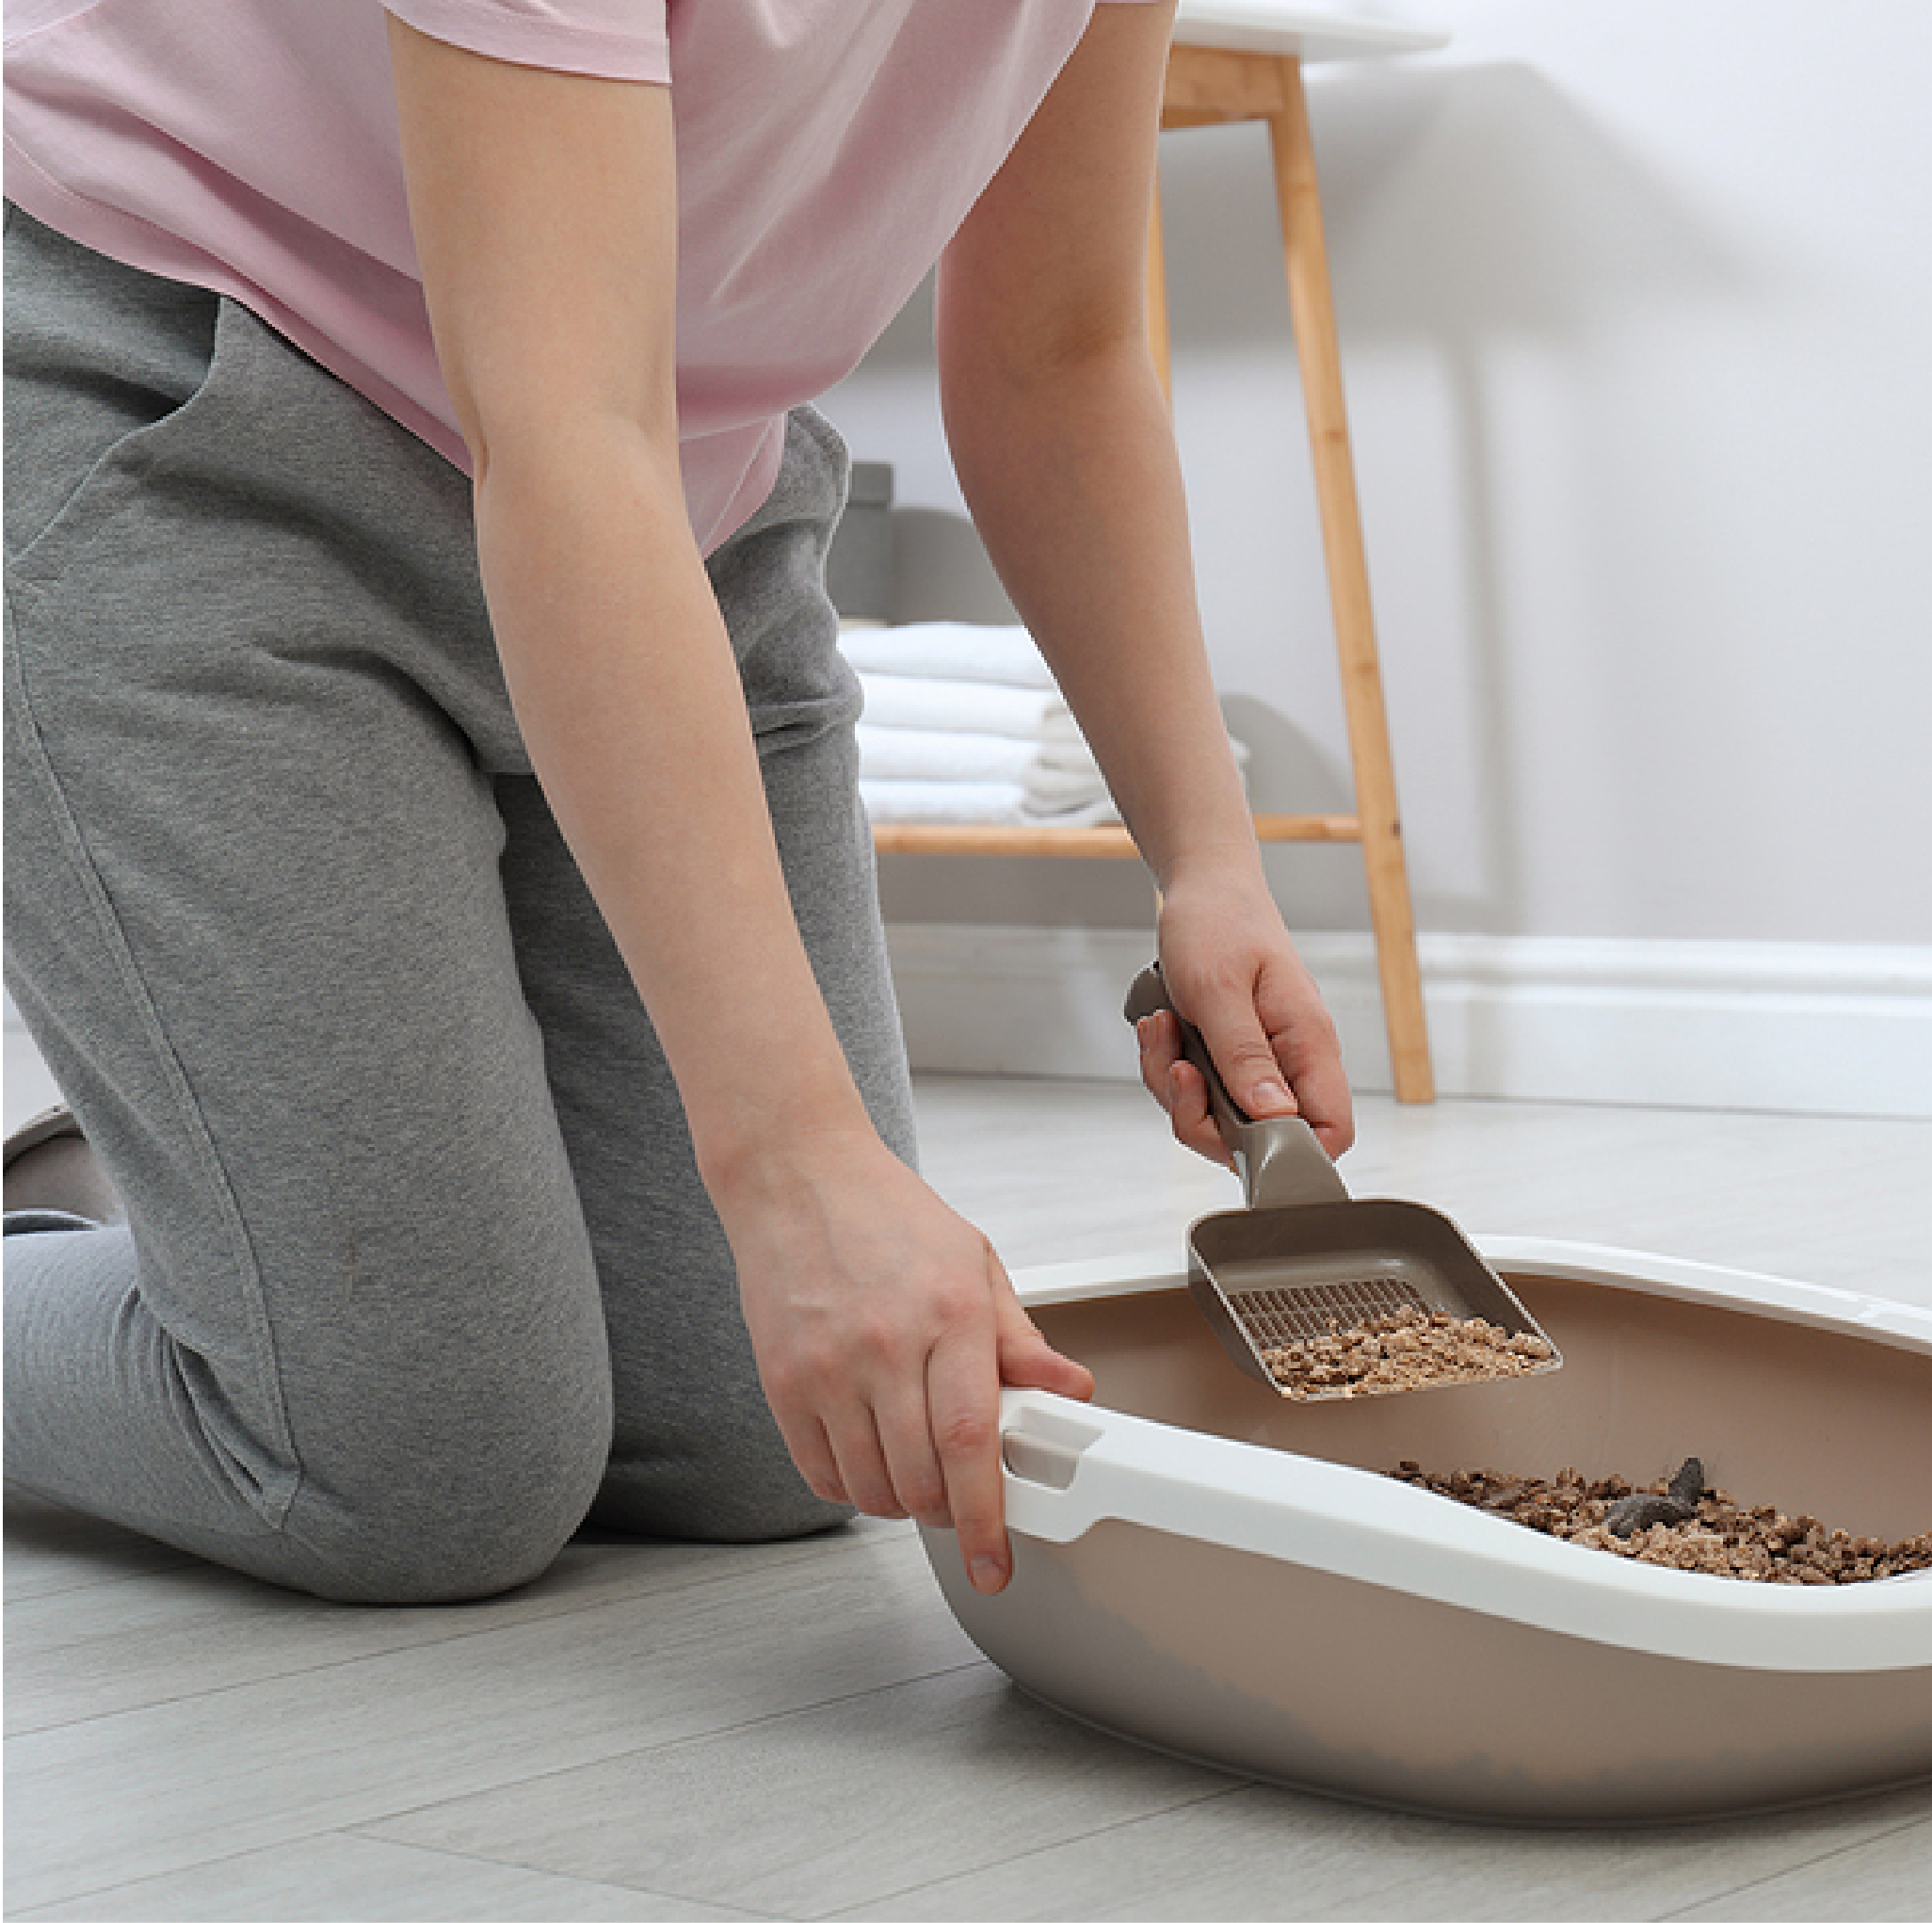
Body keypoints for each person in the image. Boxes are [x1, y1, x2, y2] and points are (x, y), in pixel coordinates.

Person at [0, 0, 1354, 1605]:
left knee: (772, 1441)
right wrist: (792, 1162)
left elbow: (1058, 354)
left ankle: (241, 1182)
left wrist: (1208, 860)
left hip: (677, 516)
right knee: (420, 1463)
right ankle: (256, 1209)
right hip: (185, 414)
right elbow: (561, 427)